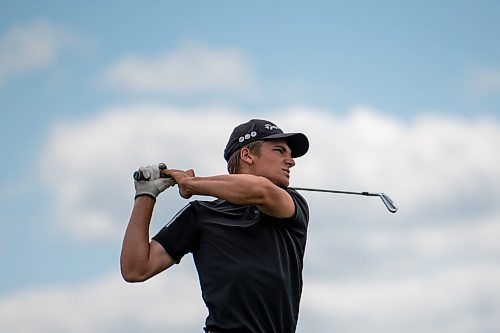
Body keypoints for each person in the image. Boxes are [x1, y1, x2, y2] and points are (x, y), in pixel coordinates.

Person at [120, 119, 310, 333]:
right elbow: (135, 269)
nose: (291, 161)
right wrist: (145, 194)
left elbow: (260, 190)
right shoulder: (200, 215)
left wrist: (191, 184)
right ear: (247, 155)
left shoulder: (291, 202)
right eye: (279, 151)